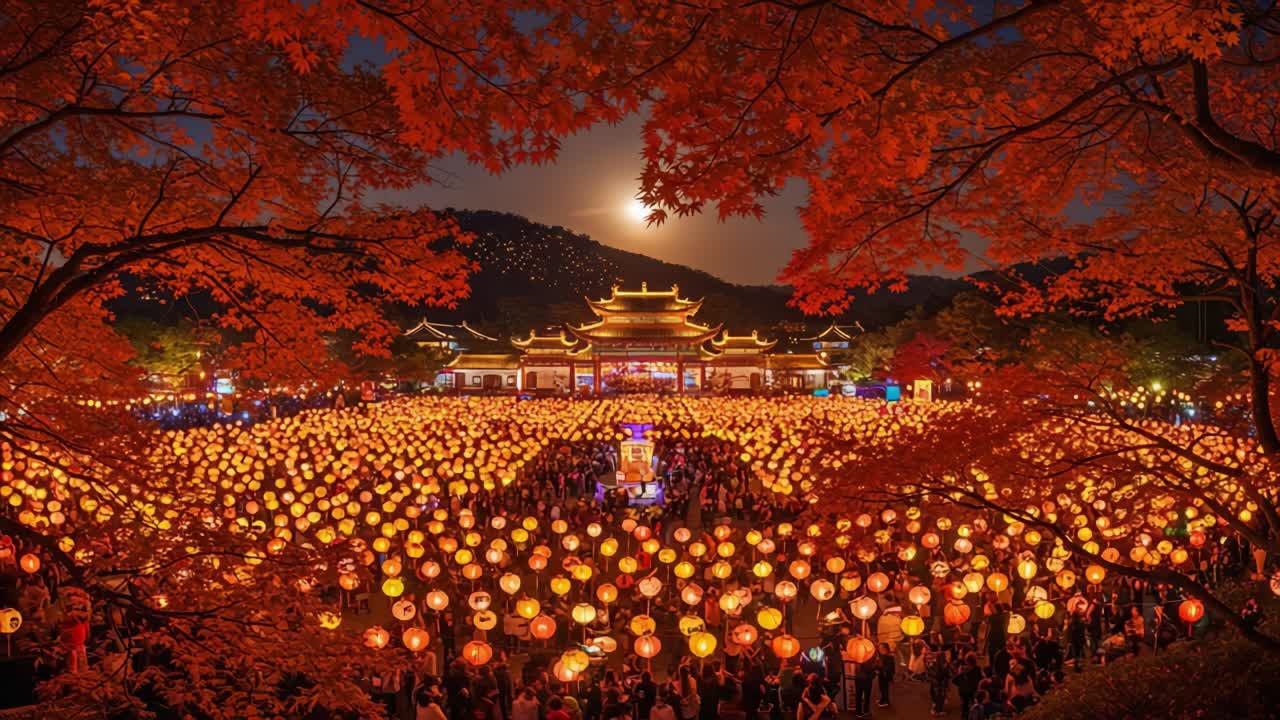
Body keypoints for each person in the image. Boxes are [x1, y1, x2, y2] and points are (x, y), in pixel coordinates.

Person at [875, 642, 895, 708]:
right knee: (881, 687)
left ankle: (886, 701)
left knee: (884, 688)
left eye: (881, 648)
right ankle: (882, 699)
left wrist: (881, 667)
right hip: (881, 674)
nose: (879, 649)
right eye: (879, 648)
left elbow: (889, 668)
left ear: (885, 649)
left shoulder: (889, 657)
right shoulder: (882, 656)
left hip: (885, 675)